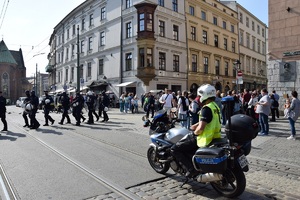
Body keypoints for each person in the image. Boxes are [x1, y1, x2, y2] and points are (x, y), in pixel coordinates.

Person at [172, 84, 221, 178]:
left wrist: (194, 132)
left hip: (204, 138)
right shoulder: (214, 106)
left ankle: (191, 169)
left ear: (204, 95)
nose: (199, 97)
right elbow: (208, 121)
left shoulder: (206, 109)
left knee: (175, 149)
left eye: (200, 96)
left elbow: (201, 128)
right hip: (215, 137)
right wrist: (194, 126)